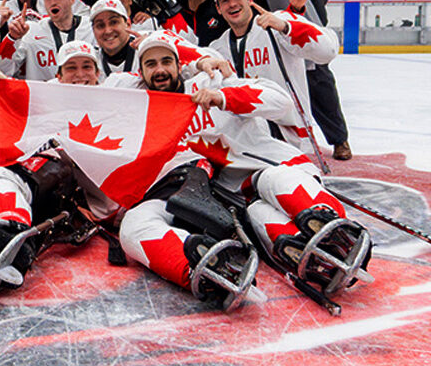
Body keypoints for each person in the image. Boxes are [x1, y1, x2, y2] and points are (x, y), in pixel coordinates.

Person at [106, 32, 372, 308]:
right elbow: (106, 86)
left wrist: (222, 97)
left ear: (178, 65)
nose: (159, 70)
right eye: (151, 64)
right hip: (219, 203)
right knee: (134, 225)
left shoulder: (210, 82)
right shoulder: (138, 106)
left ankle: (335, 231)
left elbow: (280, 102)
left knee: (276, 182)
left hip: (260, 172)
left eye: (166, 61)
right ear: (141, 73)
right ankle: (209, 269)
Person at [222, 0, 351, 160]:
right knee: (275, 92)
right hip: (266, 40)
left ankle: (339, 140)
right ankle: (281, 143)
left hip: (297, 31)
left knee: (319, 87)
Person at [210, 0, 339, 153]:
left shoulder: (277, 25)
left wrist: (287, 27)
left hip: (293, 141)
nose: (232, 4)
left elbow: (328, 50)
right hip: (248, 143)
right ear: (218, 8)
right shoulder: (217, 49)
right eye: (225, 0)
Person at [0, 0, 96, 81]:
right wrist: (12, 39)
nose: (53, 2)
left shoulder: (91, 28)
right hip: (43, 96)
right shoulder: (31, 30)